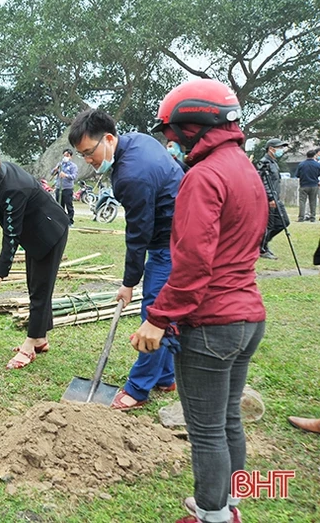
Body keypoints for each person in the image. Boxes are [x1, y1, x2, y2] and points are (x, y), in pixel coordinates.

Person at [132, 78, 267, 523]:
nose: (169, 141)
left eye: (172, 131)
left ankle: (212, 514)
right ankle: (232, 503)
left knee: (206, 429)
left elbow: (191, 265)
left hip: (212, 324)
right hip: (248, 317)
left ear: (194, 126)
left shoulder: (204, 177)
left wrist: (157, 318)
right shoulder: (246, 170)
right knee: (229, 420)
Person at [69, 108, 182, 411]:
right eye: (82, 154)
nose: (88, 160)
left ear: (108, 138)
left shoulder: (132, 173)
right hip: (176, 234)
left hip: (170, 242)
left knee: (155, 313)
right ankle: (166, 377)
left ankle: (138, 388)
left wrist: (129, 283)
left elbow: (138, 233)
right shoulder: (137, 140)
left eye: (89, 152)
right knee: (164, 309)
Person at [0, 140, 69, 370]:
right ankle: (41, 338)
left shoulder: (12, 187)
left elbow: (11, 234)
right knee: (36, 285)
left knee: (41, 289)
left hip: (50, 231)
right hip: (34, 231)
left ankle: (30, 345)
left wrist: (0, 274)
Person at [257, 138, 289, 259]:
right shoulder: (264, 162)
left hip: (277, 197)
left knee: (284, 222)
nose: (281, 150)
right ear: (271, 149)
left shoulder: (273, 162)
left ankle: (262, 244)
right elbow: (264, 182)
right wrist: (270, 198)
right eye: (279, 147)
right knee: (269, 225)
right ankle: (262, 249)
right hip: (269, 199)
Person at [51, 148, 78, 226]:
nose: (65, 157)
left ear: (70, 156)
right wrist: (55, 170)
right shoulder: (60, 164)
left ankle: (70, 221)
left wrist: (66, 175)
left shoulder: (73, 166)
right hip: (59, 188)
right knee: (59, 205)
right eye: (64, 155)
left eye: (67, 155)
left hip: (67, 188)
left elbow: (74, 176)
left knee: (69, 205)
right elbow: (52, 173)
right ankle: (60, 220)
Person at [295, 149, 320, 222]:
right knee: (313, 201)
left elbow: (297, 175)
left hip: (304, 185)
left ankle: (301, 217)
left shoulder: (301, 164)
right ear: (314, 156)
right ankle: (312, 217)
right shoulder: (317, 165)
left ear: (307, 155)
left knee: (302, 201)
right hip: (314, 185)